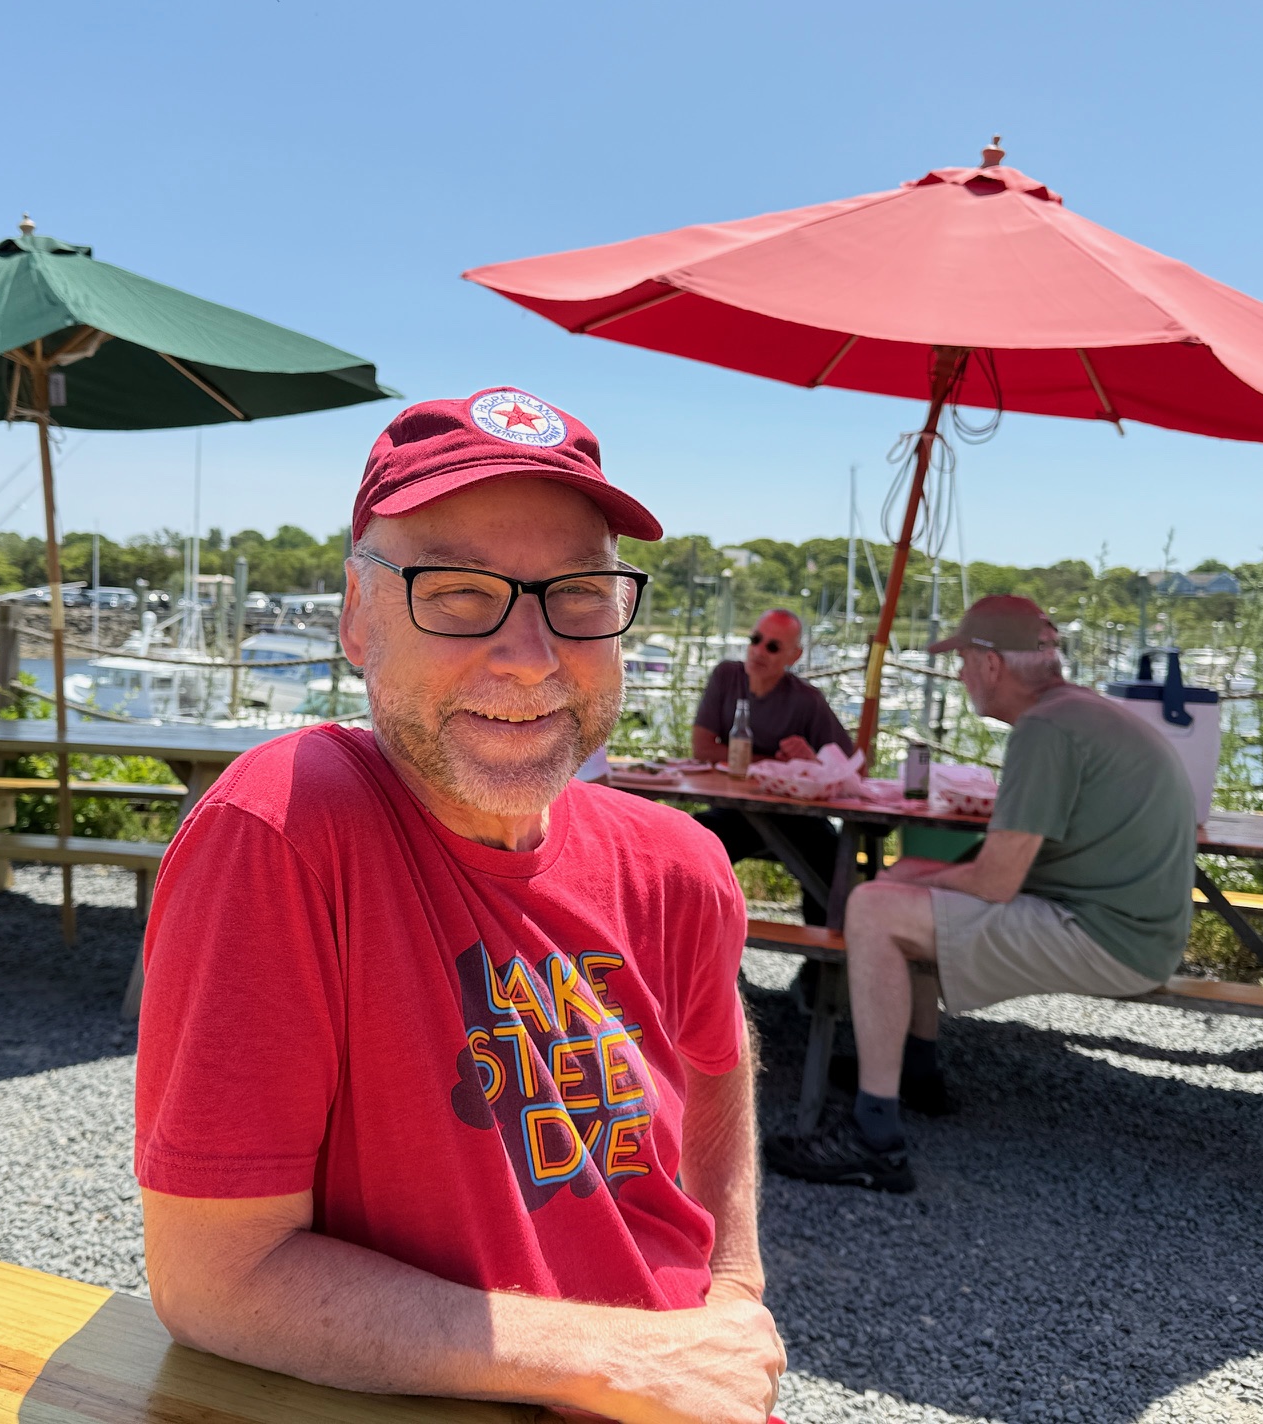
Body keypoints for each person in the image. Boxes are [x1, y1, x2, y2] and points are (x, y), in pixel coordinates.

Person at [135, 388, 784, 1424]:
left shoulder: (680, 863)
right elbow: (216, 1279)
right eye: (458, 592)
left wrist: (734, 1289)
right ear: (359, 619)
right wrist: (619, 1362)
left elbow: (719, 1061)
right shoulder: (289, 825)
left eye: (579, 593)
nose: (530, 653)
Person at [765, 594, 1197, 1193]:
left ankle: (875, 1137)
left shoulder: (1045, 730)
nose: (961, 672)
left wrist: (907, 883)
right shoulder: (1079, 713)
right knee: (905, 887)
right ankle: (915, 1068)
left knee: (873, 908)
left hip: (1112, 938)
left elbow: (996, 881)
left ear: (992, 664)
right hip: (1138, 926)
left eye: (964, 659)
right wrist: (914, 877)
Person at [691, 608, 855, 925]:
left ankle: (823, 952)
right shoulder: (726, 676)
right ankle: (694, 943)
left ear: (794, 656)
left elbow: (849, 769)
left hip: (795, 818)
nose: (759, 651)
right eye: (756, 639)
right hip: (735, 811)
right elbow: (702, 748)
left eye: (773, 646)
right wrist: (775, 764)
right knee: (688, 843)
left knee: (833, 859)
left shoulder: (808, 700)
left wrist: (812, 760)